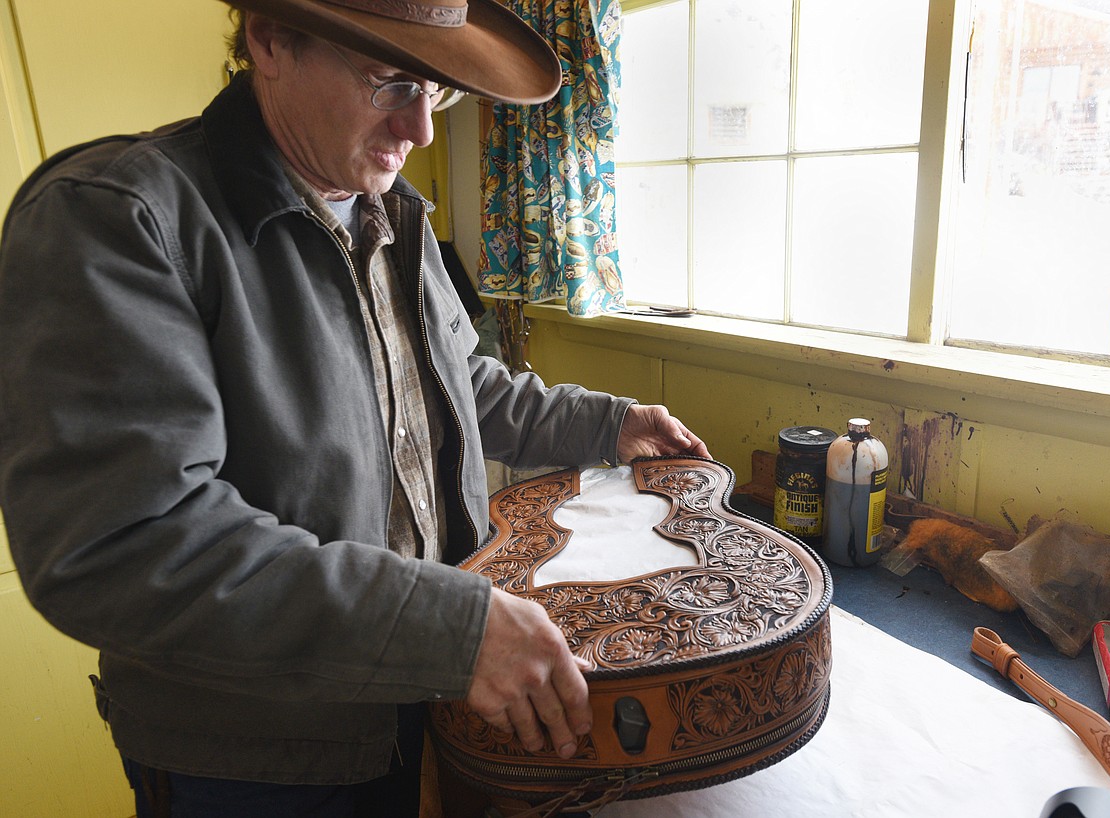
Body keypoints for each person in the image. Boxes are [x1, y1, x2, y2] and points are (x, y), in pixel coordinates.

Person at [0, 0, 709, 816]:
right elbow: (124, 542)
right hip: (256, 758)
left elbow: (453, 386)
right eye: (392, 82)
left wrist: (605, 422)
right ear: (269, 38)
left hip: (422, 693)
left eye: (436, 90)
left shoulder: (391, 208)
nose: (421, 129)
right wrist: (452, 629)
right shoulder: (119, 217)